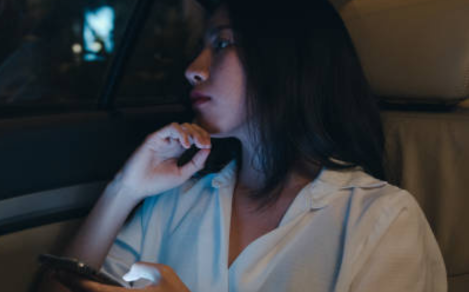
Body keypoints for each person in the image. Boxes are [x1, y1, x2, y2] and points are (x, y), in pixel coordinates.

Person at [39, 0, 447, 291]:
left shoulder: (381, 220)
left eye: (221, 44)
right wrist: (124, 189)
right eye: (200, 47)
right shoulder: (177, 199)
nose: (192, 70)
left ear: (287, 58)